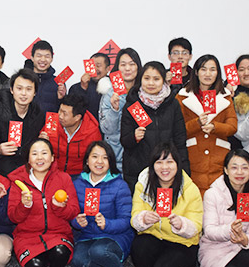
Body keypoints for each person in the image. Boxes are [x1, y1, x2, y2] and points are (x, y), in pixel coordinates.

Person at [7, 138, 80, 267]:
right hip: (27, 236)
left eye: (44, 153)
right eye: (34, 154)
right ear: (28, 159)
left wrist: (59, 207)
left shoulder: (63, 178)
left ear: (52, 157)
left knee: (60, 252)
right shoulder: (18, 182)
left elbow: (73, 211)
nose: (39, 158)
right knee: (35, 266)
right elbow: (13, 217)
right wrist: (24, 206)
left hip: (58, 233)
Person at [129, 143, 202, 267]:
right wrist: (143, 218)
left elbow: (197, 225)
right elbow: (135, 216)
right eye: (159, 162)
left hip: (182, 242)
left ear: (177, 164)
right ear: (152, 165)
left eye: (169, 162)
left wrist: (182, 224)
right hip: (154, 235)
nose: (164, 167)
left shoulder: (190, 188)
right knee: (139, 246)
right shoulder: (143, 184)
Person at [71, 141, 133, 267]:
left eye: (105, 158)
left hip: (115, 236)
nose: (99, 161)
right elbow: (72, 214)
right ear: (87, 160)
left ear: (110, 162)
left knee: (99, 251)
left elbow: (127, 220)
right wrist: (77, 222)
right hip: (88, 235)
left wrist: (108, 224)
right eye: (95, 157)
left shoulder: (119, 185)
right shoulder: (77, 184)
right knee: (77, 261)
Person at [120, 61, 189, 192]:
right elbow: (124, 140)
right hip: (138, 170)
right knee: (141, 205)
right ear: (140, 80)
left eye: (156, 79)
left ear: (163, 80)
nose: (151, 83)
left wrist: (184, 170)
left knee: (166, 204)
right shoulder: (132, 104)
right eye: (146, 78)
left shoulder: (173, 104)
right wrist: (134, 137)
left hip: (167, 170)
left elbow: (180, 140)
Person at [176, 55, 238, 195]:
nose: (208, 74)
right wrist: (196, 124)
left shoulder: (225, 96)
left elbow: (233, 127)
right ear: (196, 72)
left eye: (212, 69)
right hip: (192, 157)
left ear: (218, 73)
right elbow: (177, 129)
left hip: (219, 158)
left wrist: (215, 127)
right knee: (193, 197)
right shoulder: (182, 96)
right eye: (203, 69)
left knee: (218, 198)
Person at [0, 69, 47, 175]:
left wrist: (43, 141)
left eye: (29, 89)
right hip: (2, 171)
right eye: (19, 88)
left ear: (35, 92)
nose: (23, 93)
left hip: (29, 170)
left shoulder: (38, 114)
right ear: (11, 90)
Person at [98, 48, 143, 171]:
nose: (127, 68)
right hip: (116, 158)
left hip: (140, 156)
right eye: (123, 64)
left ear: (138, 67)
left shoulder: (145, 92)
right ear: (117, 68)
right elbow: (106, 129)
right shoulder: (109, 94)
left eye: (132, 64)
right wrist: (114, 109)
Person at [51, 94, 101, 176]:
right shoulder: (52, 124)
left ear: (77, 117)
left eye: (64, 114)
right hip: (54, 172)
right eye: (60, 110)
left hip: (80, 175)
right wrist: (42, 142)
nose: (60, 116)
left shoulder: (92, 133)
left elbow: (96, 160)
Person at [23, 40, 66, 113]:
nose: (43, 60)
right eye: (39, 56)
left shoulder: (58, 83)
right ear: (32, 58)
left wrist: (61, 98)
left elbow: (64, 112)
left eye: (47, 56)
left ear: (52, 59)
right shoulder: (22, 79)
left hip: (49, 120)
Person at [69, 52, 110, 121]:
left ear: (107, 69)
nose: (95, 69)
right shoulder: (75, 88)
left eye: (98, 65)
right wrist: (83, 88)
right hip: (86, 126)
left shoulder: (114, 87)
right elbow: (73, 111)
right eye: (92, 65)